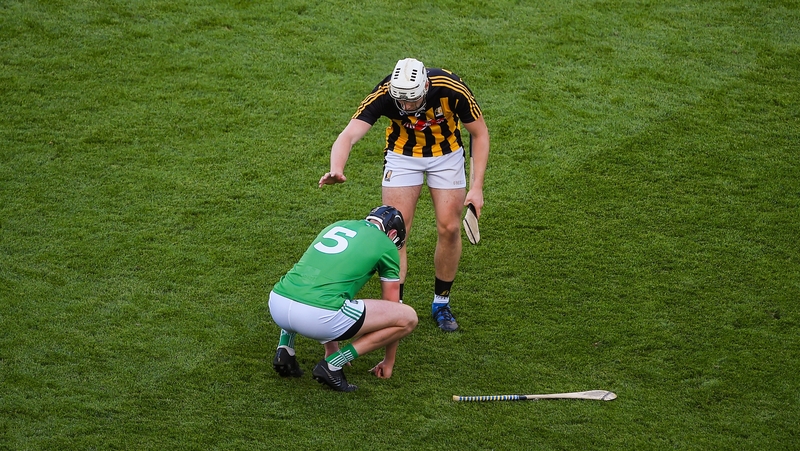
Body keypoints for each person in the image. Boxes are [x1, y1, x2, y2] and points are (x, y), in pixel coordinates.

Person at [319, 58, 490, 332]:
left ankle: (441, 302)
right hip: (403, 156)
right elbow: (349, 134)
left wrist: (477, 186)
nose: (407, 107)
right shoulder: (387, 92)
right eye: (402, 102)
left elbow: (479, 134)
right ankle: (394, 308)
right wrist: (336, 168)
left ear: (425, 86)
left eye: (413, 101)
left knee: (449, 227)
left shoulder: (450, 87)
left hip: (446, 156)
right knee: (396, 233)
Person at [269, 205, 418, 392]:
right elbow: (392, 305)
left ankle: (285, 349)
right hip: (317, 315)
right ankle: (332, 365)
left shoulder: (339, 225)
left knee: (311, 287)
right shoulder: (385, 243)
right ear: (392, 233)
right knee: (408, 317)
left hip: (278, 302)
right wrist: (389, 360)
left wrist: (331, 346)